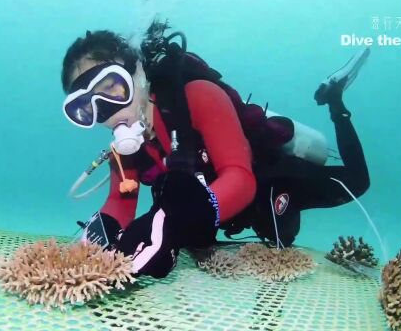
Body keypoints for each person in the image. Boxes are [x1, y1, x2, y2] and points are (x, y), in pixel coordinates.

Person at [61, 23, 370, 278]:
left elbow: (240, 177)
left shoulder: (198, 95)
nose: (107, 111)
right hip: (220, 212)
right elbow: (119, 203)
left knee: (356, 183)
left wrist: (174, 220)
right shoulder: (125, 149)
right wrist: (88, 247)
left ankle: (336, 102)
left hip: (264, 178)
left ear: (138, 74)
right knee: (197, 237)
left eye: (112, 88)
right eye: (86, 108)